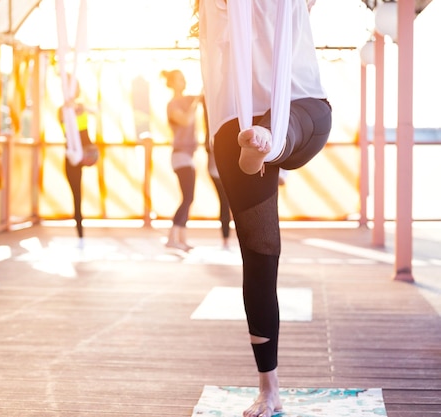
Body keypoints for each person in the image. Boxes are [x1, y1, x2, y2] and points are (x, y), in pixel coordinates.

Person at [193, 1, 332, 416]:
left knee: (277, 130)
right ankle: (269, 390)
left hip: (300, 109)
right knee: (260, 257)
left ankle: (269, 145)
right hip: (237, 126)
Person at [161, 69, 201, 252]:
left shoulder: (188, 99)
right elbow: (185, 121)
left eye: (184, 78)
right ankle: (171, 238)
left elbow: (204, 94)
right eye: (180, 79)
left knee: (189, 198)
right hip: (180, 155)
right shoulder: (172, 105)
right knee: (187, 197)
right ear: (172, 83)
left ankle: (182, 240)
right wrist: (195, 104)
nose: (183, 81)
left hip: (189, 156)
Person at [58, 77, 98, 248]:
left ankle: (81, 233)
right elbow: (62, 117)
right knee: (77, 195)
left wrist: (78, 108)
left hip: (86, 154)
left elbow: (94, 110)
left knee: (78, 194)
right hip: (73, 155)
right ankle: (80, 233)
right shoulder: (62, 111)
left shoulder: (81, 108)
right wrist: (69, 110)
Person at [204, 102, 232, 249]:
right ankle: (226, 238)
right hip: (217, 168)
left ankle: (226, 238)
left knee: (227, 202)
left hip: (221, 166)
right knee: (226, 202)